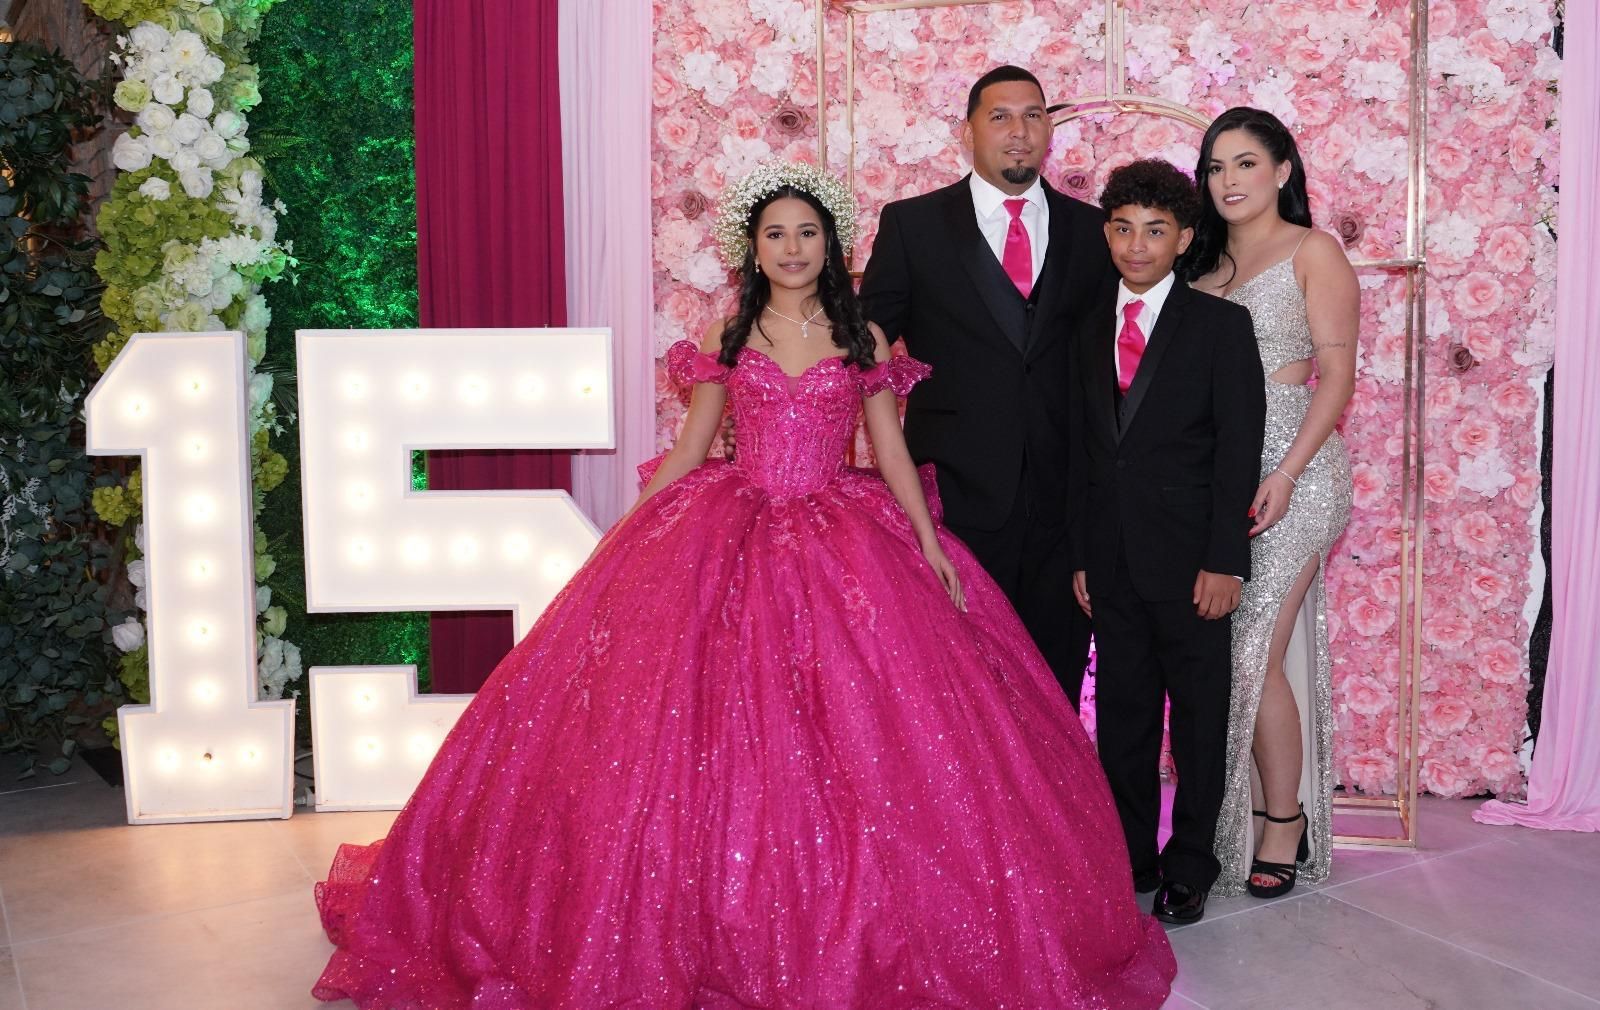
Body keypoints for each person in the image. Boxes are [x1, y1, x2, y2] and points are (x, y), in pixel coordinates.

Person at [311, 160, 1175, 1009]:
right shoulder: (732, 337)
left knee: (878, 732)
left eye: (807, 233)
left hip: (843, 535)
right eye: (776, 235)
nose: (793, 248)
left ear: (830, 246)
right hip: (732, 528)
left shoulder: (864, 338)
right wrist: (629, 529)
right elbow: (693, 450)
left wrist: (927, 540)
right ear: (752, 251)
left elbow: (890, 450)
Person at [859, 65, 1115, 708]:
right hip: (956, 497)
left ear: (1049, 130)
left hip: (1064, 502)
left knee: (1054, 687)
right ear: (968, 131)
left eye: (1033, 115)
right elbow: (863, 344)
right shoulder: (912, 226)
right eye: (1000, 116)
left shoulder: (1095, 232)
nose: (1019, 131)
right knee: (960, 690)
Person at [1070, 160, 1266, 925]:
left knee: (1197, 720)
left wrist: (1226, 558)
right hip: (1113, 560)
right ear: (1106, 233)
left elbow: (1236, 451)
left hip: (1193, 565)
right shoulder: (1085, 326)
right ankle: (1130, 854)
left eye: (1155, 230)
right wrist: (1085, 551)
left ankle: (1191, 864)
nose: (1136, 244)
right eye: (1122, 228)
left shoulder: (1221, 326)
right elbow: (1086, 455)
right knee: (1121, 717)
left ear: (1184, 238)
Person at [1184, 107, 1357, 899]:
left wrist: (1287, 472)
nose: (1229, 182)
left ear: (1283, 170)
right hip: (1215, 480)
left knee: (1253, 646)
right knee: (1225, 654)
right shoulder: (1197, 266)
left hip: (1299, 473)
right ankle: (1241, 813)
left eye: (1246, 164)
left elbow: (1337, 377)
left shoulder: (1312, 251)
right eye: (1217, 168)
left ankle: (1281, 820)